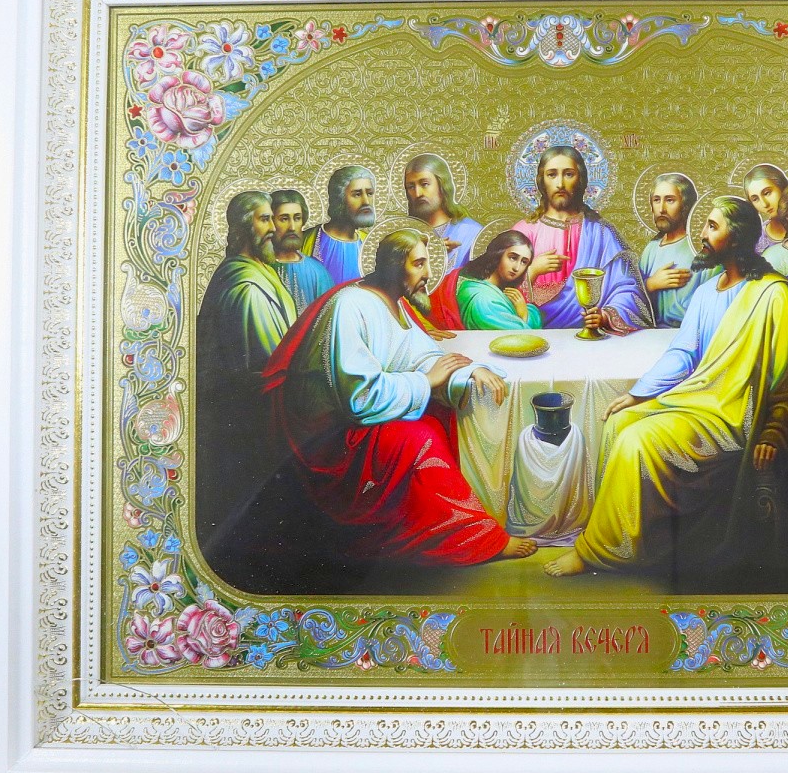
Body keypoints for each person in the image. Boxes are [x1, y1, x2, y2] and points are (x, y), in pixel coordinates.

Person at [544, 196, 788, 586]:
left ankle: (599, 552)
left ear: (738, 238)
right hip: (699, 399)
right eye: (705, 225)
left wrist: (775, 428)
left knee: (637, 440)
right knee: (620, 422)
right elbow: (684, 353)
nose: (702, 234)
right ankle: (628, 536)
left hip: (733, 415)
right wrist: (639, 394)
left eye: (713, 227)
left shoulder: (774, 294)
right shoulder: (708, 292)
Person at [262, 228, 538, 565]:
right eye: (419, 264)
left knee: (439, 421)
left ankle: (447, 525)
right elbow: (359, 397)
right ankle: (472, 536)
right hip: (333, 436)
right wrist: (426, 381)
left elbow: (422, 357)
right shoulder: (350, 305)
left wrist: (468, 372)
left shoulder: (394, 302)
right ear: (394, 266)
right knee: (421, 439)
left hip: (367, 416)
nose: (428, 274)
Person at [195, 191, 298, 538]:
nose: (273, 228)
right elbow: (270, 364)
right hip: (249, 418)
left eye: (272, 219)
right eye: (264, 219)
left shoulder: (258, 270)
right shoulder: (246, 288)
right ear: (243, 228)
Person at [511, 145, 652, 334]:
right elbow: (499, 290)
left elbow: (627, 289)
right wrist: (532, 271)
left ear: (581, 180)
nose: (560, 184)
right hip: (535, 333)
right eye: (552, 175)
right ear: (542, 181)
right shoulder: (523, 232)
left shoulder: (601, 232)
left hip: (592, 336)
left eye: (568, 174)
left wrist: (605, 316)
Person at [638, 172, 714, 327]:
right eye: (656, 200)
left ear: (685, 205)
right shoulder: (651, 249)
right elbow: (632, 301)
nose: (661, 209)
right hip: (652, 334)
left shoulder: (701, 248)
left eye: (670, 200)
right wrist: (650, 284)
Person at [429, 230, 542, 330]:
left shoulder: (497, 287)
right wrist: (524, 315)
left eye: (524, 262)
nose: (516, 268)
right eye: (513, 258)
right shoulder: (483, 300)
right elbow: (523, 336)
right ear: (498, 254)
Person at [404, 153, 483, 269]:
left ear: (442, 185)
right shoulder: (406, 235)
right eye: (411, 187)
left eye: (424, 184)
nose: (417, 193)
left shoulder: (471, 232)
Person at [302, 165, 376, 284]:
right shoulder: (307, 240)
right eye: (357, 194)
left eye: (369, 193)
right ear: (339, 199)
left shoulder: (370, 244)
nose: (366, 202)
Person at [270, 189, 333, 314]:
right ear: (270, 222)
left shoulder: (317, 272)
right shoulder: (259, 267)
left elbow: (327, 317)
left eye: (297, 218)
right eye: (284, 219)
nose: (292, 227)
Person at [744, 163, 788, 253]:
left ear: (782, 187)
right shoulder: (755, 240)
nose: (765, 204)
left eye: (767, 193)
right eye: (755, 199)